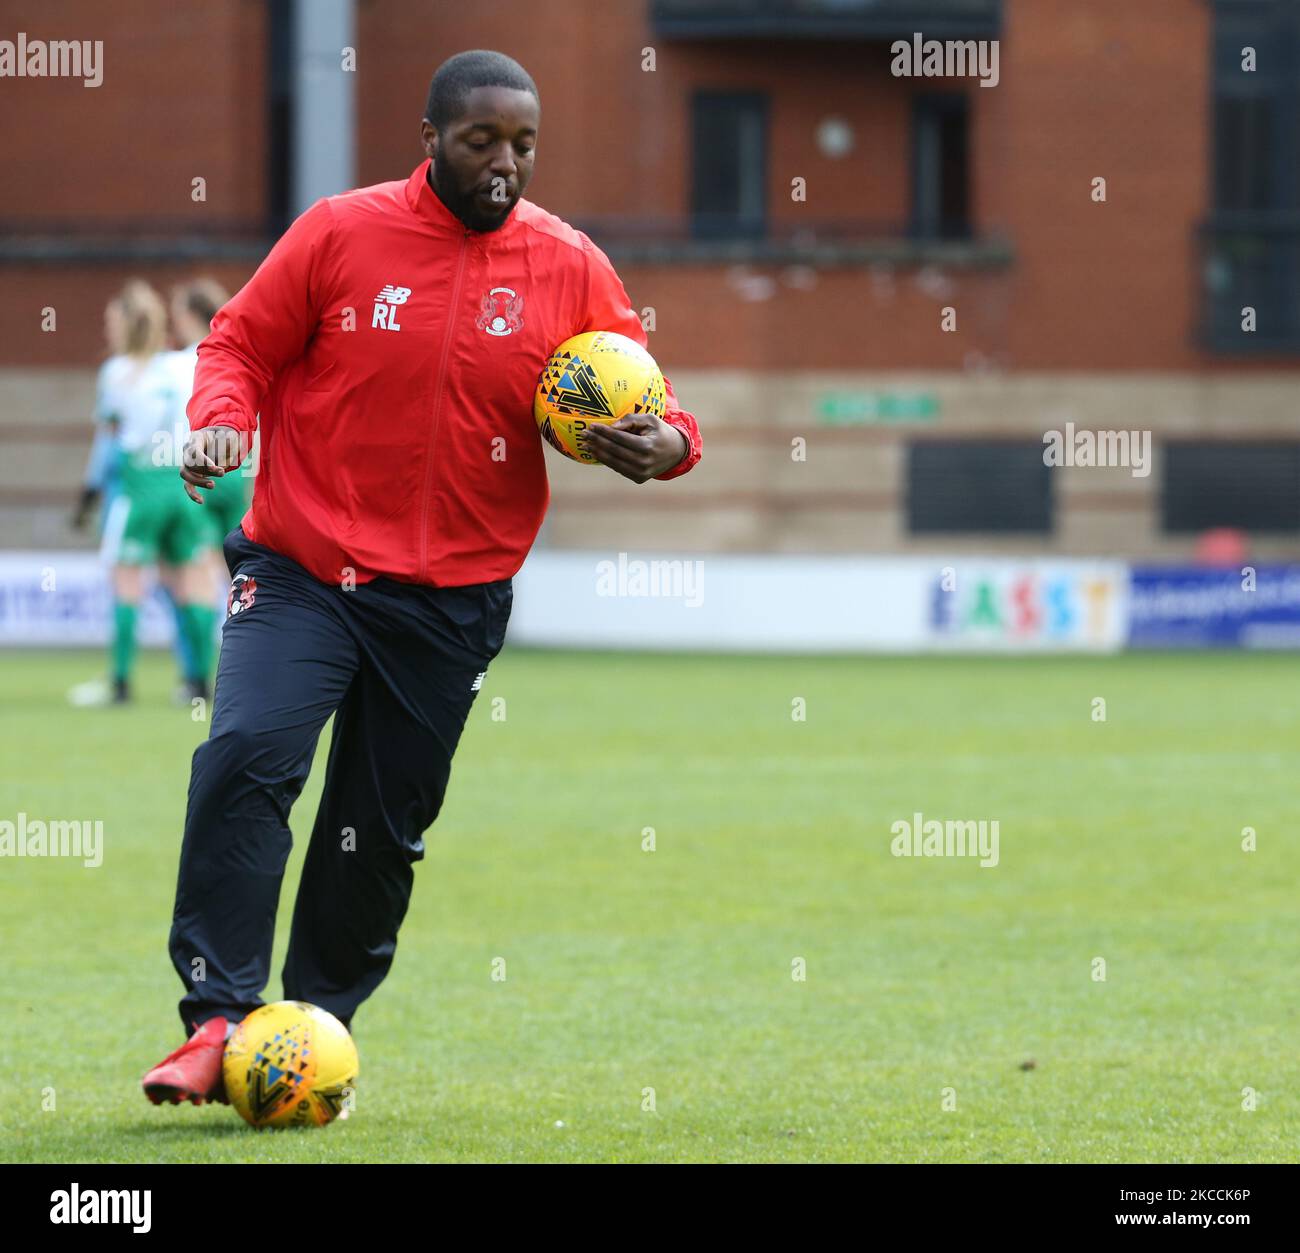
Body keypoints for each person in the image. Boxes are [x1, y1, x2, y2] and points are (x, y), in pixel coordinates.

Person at [141, 49, 701, 1106]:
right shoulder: (339, 232)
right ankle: (216, 1017)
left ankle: (313, 1027)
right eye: (482, 141)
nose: (505, 164)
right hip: (305, 567)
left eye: (524, 145)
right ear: (431, 139)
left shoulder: (570, 264)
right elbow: (239, 346)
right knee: (246, 753)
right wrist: (219, 426)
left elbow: (657, 403)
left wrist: (667, 444)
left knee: (377, 830)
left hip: (451, 599)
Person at [75, 281, 216, 706]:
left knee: (126, 584)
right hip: (180, 483)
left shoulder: (117, 372)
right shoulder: (179, 364)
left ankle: (119, 683)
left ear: (124, 324)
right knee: (189, 584)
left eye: (111, 321)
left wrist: (88, 494)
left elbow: (108, 442)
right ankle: (198, 684)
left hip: (139, 489)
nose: (108, 329)